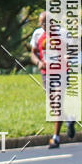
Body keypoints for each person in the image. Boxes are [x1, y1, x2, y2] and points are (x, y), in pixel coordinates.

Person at [30, 11, 76, 148]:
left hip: (61, 71)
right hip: (46, 73)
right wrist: (38, 63)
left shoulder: (62, 33)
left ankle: (55, 138)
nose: (43, 25)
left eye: (46, 22)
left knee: (57, 101)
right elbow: (33, 53)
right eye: (41, 23)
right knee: (54, 105)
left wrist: (67, 57)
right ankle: (69, 119)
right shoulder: (37, 34)